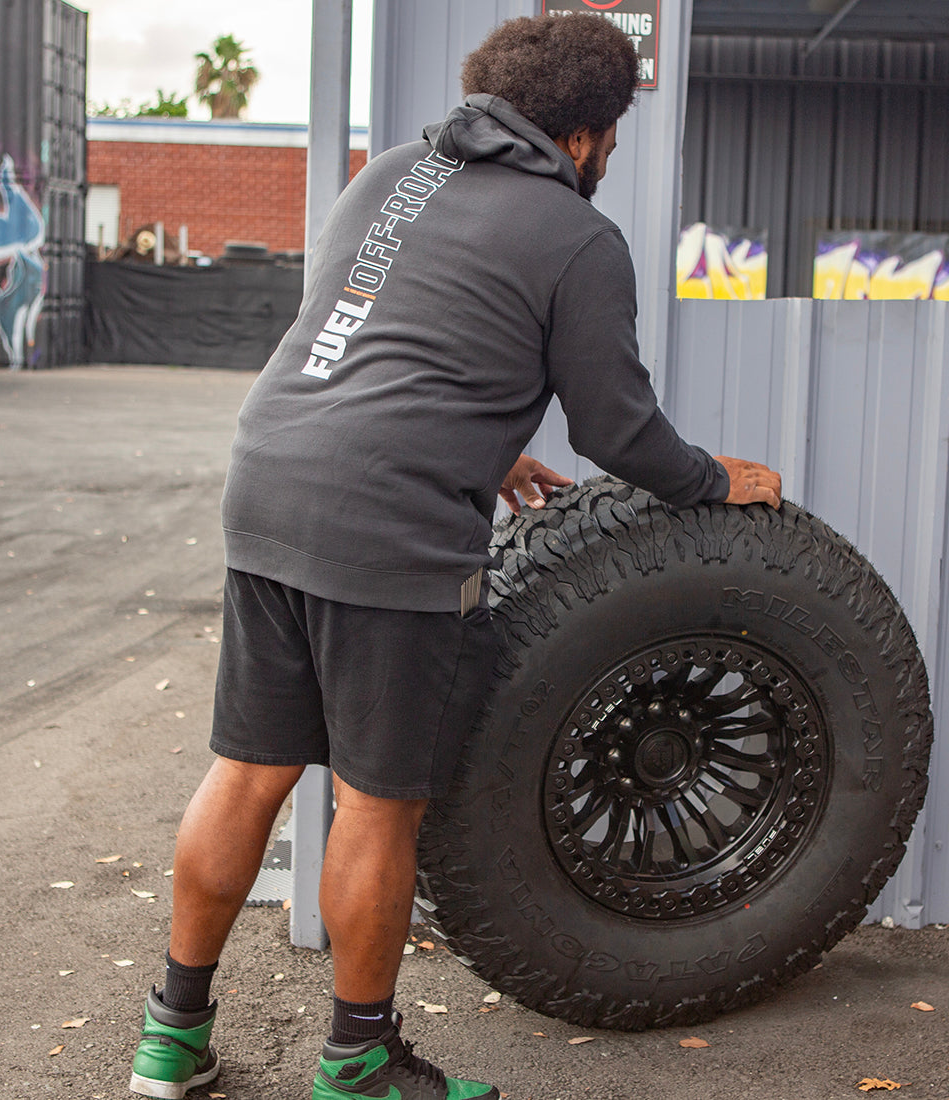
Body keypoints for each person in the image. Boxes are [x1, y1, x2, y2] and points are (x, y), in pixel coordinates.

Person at [127, 13, 780, 1100]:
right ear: (581, 135)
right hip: (388, 531)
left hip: (271, 483)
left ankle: (169, 1039)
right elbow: (617, 432)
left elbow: (365, 339)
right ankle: (358, 1061)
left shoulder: (391, 174)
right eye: (611, 139)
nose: (608, 158)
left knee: (247, 768)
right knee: (376, 802)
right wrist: (715, 478)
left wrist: (484, 437)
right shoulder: (577, 236)